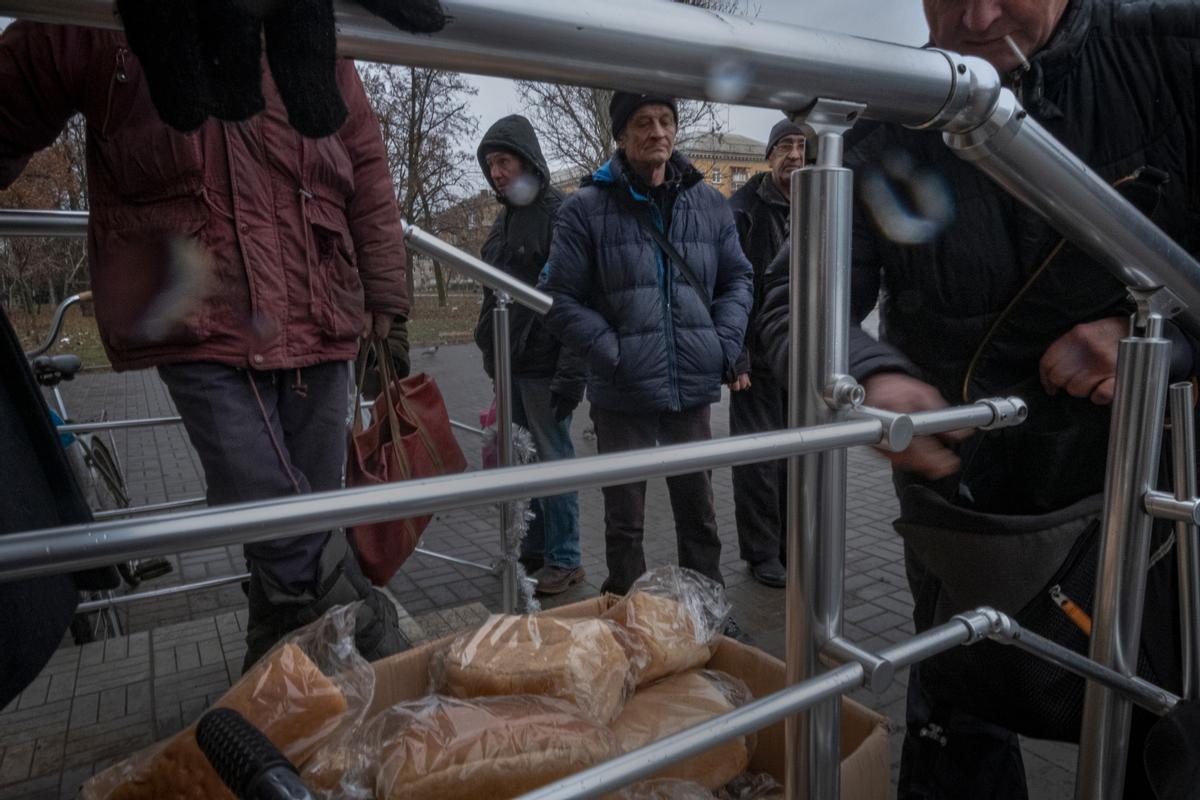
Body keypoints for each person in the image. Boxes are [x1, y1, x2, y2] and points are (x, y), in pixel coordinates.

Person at [758, 0, 1200, 796]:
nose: (979, 13)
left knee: (1158, 720)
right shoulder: (886, 123)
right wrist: (867, 377)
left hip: (1149, 498)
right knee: (958, 723)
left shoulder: (1171, 55)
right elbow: (796, 304)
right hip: (966, 507)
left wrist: (1163, 340)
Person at [0, 21, 412, 671]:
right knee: (266, 499)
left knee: (307, 504)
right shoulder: (106, 13)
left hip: (319, 292)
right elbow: (20, 83)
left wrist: (385, 287)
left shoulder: (302, 15)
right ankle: (364, 626)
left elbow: (364, 152)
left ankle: (279, 668)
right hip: (197, 304)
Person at [539, 91, 754, 597]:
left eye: (665, 120)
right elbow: (556, 297)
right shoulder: (584, 209)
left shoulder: (709, 204)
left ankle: (708, 613)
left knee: (698, 514)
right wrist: (615, 355)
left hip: (691, 385)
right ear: (621, 135)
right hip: (623, 391)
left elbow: (738, 279)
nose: (658, 131)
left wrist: (722, 343)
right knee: (625, 521)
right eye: (643, 122)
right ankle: (624, 621)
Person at [473, 113, 586, 595]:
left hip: (544, 364)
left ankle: (566, 558)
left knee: (552, 459)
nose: (497, 172)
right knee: (524, 460)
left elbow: (576, 296)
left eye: (504, 160)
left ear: (528, 158)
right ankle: (536, 550)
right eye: (490, 164)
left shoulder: (561, 213)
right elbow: (492, 289)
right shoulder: (506, 218)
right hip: (511, 362)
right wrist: (488, 347)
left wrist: (570, 371)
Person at [726, 118, 810, 589]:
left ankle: (792, 545)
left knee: (799, 459)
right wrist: (734, 352)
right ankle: (762, 553)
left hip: (803, 362)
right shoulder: (743, 211)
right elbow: (728, 286)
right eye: (785, 147)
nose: (794, 156)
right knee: (758, 463)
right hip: (756, 360)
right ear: (770, 156)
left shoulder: (819, 204)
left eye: (801, 147)